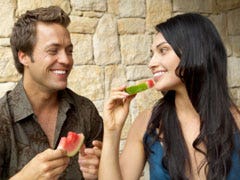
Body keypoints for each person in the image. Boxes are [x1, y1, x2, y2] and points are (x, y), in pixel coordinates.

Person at [99, 13, 240, 180]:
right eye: (152, 53)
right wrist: (112, 131)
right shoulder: (147, 123)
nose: (151, 63)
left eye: (163, 50)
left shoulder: (237, 121)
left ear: (194, 51)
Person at [0, 6, 103, 179]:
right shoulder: (2, 118)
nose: (66, 60)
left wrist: (100, 173)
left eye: (69, 51)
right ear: (24, 56)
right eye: (53, 51)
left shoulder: (86, 111)